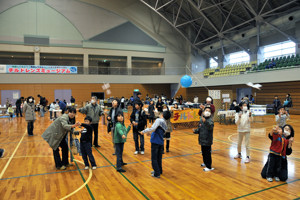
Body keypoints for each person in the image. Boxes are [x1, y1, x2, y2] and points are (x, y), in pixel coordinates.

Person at [141, 111, 171, 178]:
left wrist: (144, 131)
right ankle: (159, 170)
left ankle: (156, 173)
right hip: (160, 142)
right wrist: (150, 133)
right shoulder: (165, 124)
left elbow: (153, 128)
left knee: (154, 158)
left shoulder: (159, 120)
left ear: (162, 115)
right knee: (159, 158)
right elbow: (158, 131)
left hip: (155, 142)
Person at [195, 107, 214, 171]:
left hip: (207, 139)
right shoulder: (201, 120)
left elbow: (210, 128)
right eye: (206, 110)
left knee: (207, 153)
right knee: (203, 153)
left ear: (210, 113)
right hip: (202, 139)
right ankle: (205, 163)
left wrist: (205, 122)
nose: (207, 112)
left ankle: (209, 166)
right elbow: (199, 128)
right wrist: (195, 131)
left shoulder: (210, 120)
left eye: (209, 111)